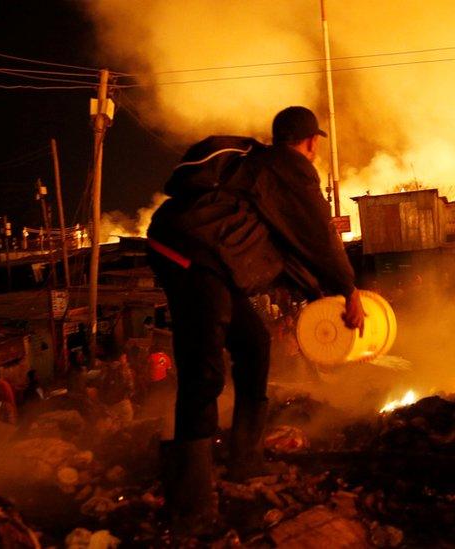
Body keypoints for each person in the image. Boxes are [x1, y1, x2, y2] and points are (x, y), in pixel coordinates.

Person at [147, 106, 365, 533]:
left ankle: (244, 460)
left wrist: (325, 294)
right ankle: (191, 502)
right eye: (316, 143)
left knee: (254, 343)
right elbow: (319, 234)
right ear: (311, 142)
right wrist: (349, 289)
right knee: (203, 366)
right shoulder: (289, 169)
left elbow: (292, 250)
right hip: (191, 253)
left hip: (209, 258)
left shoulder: (261, 169)